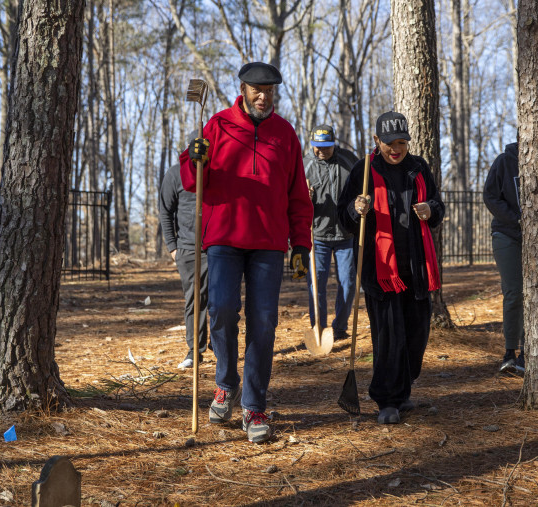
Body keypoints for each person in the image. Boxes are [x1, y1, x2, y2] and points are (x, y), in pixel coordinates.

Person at [180, 62, 313, 443]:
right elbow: (192, 183)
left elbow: (297, 196)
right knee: (221, 309)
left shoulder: (285, 134)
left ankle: (254, 404)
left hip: (269, 244)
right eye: (257, 89)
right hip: (222, 238)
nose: (263, 95)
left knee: (264, 321)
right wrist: (195, 156)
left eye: (270, 89)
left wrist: (300, 243)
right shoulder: (218, 125)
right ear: (242, 88)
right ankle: (226, 383)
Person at [337, 111, 445, 425]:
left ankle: (402, 387)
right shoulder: (364, 169)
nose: (395, 149)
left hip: (416, 266)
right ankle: (387, 399)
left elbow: (438, 205)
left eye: (401, 142)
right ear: (376, 141)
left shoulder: (418, 167)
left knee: (417, 334)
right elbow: (344, 219)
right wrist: (357, 209)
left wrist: (430, 209)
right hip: (380, 268)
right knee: (388, 337)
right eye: (389, 143)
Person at [483, 142, 538, 374]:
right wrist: (517, 220)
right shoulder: (504, 161)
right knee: (514, 291)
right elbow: (490, 196)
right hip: (506, 234)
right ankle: (510, 353)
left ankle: (529, 351)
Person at [304, 125, 359, 341]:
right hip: (317, 235)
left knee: (348, 282)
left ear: (334, 144)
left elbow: (362, 188)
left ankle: (340, 327)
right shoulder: (305, 165)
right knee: (316, 284)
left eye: (326, 147)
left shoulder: (349, 160)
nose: (321, 151)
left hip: (346, 233)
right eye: (317, 147)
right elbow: (292, 199)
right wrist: (304, 197)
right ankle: (318, 328)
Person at [158, 154, 209, 371]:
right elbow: (165, 211)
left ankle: (222, 345)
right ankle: (194, 350)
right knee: (194, 298)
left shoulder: (219, 170)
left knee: (222, 298)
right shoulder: (175, 173)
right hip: (187, 248)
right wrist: (173, 247)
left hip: (219, 245)